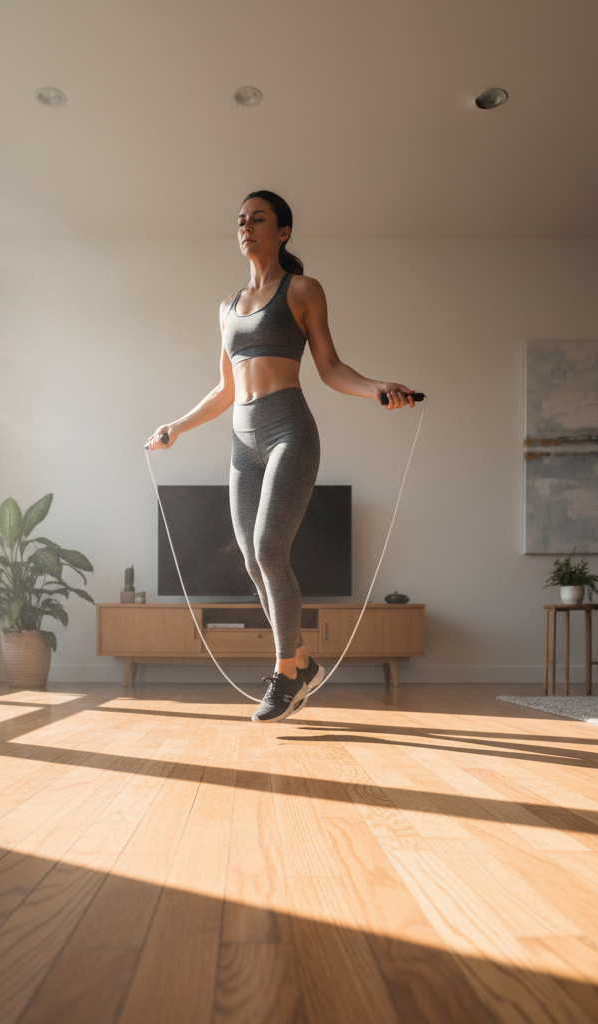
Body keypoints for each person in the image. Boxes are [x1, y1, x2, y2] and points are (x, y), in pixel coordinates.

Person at [148, 190, 416, 722]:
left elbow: (330, 367)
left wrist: (377, 388)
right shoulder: (227, 307)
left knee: (270, 548)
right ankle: (301, 663)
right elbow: (225, 389)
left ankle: (287, 673)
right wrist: (176, 427)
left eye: (258, 219)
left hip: (288, 431)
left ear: (284, 231)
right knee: (253, 560)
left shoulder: (302, 289)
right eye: (241, 221)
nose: (246, 228)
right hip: (242, 443)